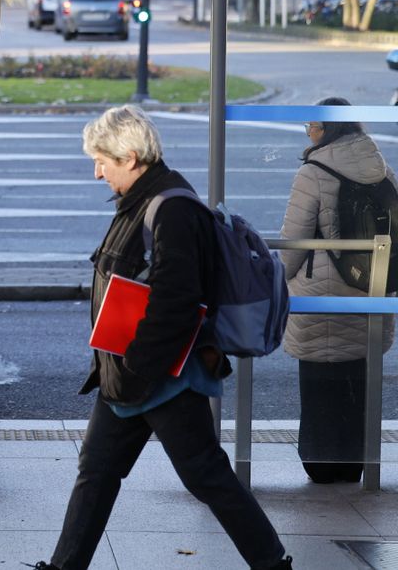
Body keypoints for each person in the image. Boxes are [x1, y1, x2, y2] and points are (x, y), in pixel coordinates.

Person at [34, 105, 291, 570]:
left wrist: (137, 365)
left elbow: (176, 300)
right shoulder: (143, 201)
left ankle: (274, 564)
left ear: (130, 157)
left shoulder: (171, 209)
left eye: (102, 162)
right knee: (97, 470)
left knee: (205, 475)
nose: (97, 173)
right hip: (132, 373)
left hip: (161, 375)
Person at [279, 97, 396, 484]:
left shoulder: (313, 172)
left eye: (312, 124)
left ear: (329, 129)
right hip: (371, 295)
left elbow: (292, 244)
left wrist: (277, 287)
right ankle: (354, 464)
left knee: (320, 388)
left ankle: (321, 463)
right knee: (357, 385)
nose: (309, 131)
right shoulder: (383, 170)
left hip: (320, 300)